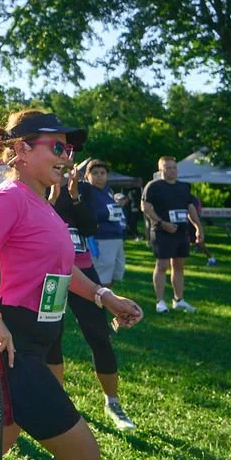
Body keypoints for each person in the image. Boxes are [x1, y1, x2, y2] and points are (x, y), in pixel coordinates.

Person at [0, 109, 143, 460]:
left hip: (34, 344)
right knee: (84, 455)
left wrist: (103, 296)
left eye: (70, 149)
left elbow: (60, 269)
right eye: (58, 146)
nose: (66, 157)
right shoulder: (8, 199)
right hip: (12, 347)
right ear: (21, 151)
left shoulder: (42, 203)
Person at [47, 165, 136, 431]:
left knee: (98, 334)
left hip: (83, 268)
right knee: (52, 336)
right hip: (50, 273)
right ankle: (56, 404)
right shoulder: (32, 188)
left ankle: (112, 402)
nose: (61, 163)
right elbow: (37, 221)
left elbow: (89, 226)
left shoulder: (80, 189)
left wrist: (73, 196)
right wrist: (51, 198)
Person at [142, 156, 203, 313]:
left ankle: (179, 299)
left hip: (181, 232)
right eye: (168, 168)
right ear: (161, 170)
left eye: (174, 167)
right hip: (162, 231)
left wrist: (198, 227)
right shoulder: (153, 186)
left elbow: (191, 208)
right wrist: (162, 223)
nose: (172, 171)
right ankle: (160, 302)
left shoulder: (183, 187)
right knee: (162, 265)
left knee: (179, 266)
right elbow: (146, 207)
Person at [83, 159, 128, 287]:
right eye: (95, 173)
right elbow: (88, 215)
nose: (99, 176)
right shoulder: (87, 191)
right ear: (87, 176)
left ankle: (107, 301)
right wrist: (107, 214)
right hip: (101, 238)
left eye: (102, 173)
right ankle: (99, 303)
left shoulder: (108, 191)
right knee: (102, 276)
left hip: (116, 237)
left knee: (116, 272)